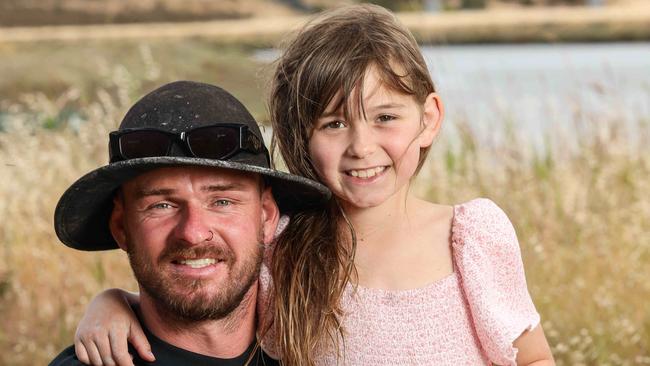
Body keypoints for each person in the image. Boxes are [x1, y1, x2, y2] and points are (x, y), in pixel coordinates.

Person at [72, 4, 556, 366]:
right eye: (333, 124)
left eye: (385, 117)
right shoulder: (286, 249)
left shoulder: (470, 237)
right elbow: (203, 297)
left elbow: (532, 356)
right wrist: (113, 303)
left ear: (428, 119)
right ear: (298, 135)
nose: (362, 147)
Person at [48, 80, 329, 366]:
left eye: (222, 202)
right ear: (121, 227)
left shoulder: (322, 349)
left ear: (267, 217)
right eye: (162, 205)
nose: (193, 233)